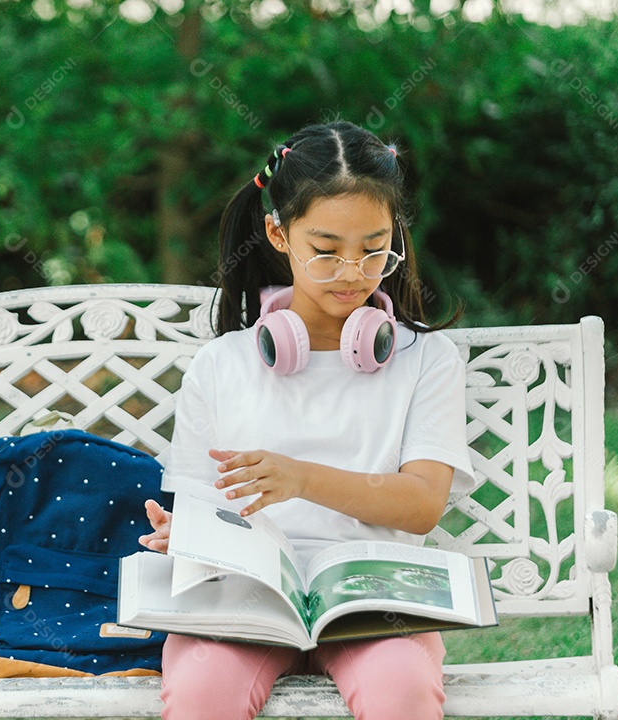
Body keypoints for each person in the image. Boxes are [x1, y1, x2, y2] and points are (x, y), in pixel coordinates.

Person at [138, 120, 477, 720]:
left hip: (374, 605)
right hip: (245, 600)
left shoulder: (427, 360)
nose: (352, 271)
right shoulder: (223, 366)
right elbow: (200, 502)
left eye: (374, 248)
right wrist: (185, 535)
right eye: (326, 251)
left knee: (400, 685)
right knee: (202, 689)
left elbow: (423, 502)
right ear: (277, 232)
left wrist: (301, 478)